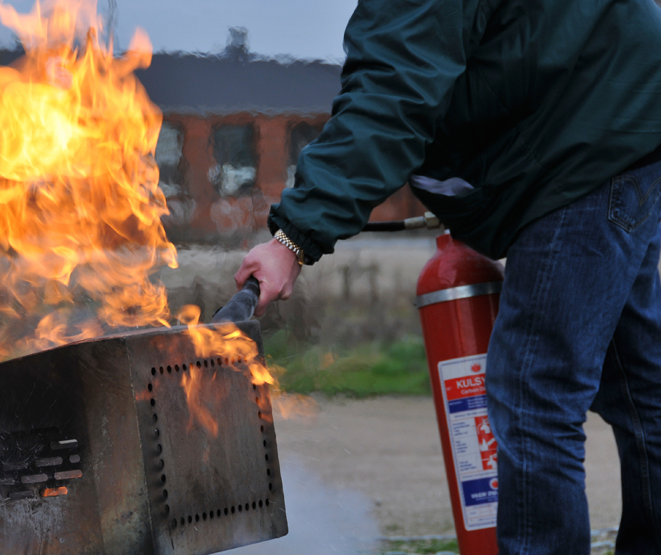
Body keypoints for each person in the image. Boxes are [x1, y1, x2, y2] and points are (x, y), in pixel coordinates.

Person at [234, 1, 661, 553]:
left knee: (535, 391)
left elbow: (391, 99)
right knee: (639, 386)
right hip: (624, 115)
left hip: (583, 147)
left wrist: (291, 240)